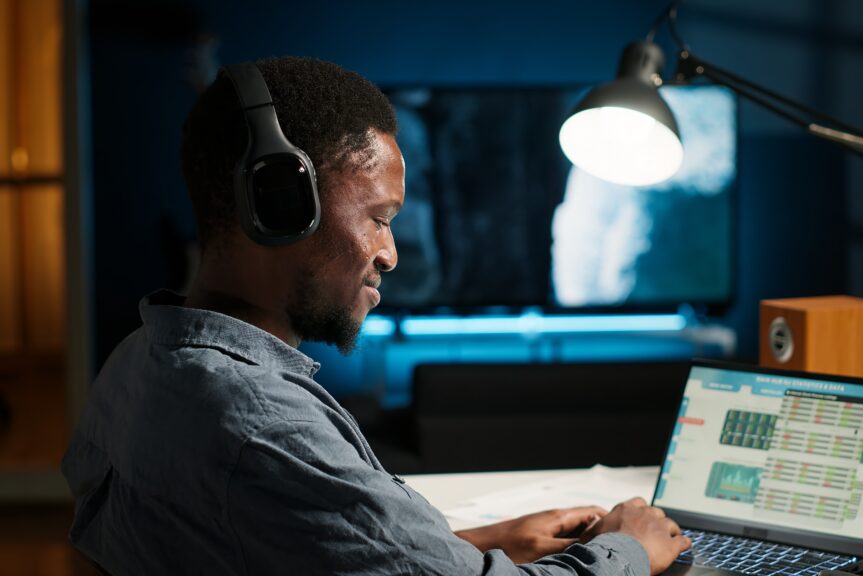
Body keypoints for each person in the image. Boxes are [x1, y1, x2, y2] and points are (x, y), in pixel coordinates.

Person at [61, 56, 690, 575]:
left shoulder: (136, 363)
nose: (388, 253)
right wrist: (628, 549)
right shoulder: (259, 423)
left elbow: (289, 542)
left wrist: (477, 543)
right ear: (280, 203)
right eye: (379, 218)